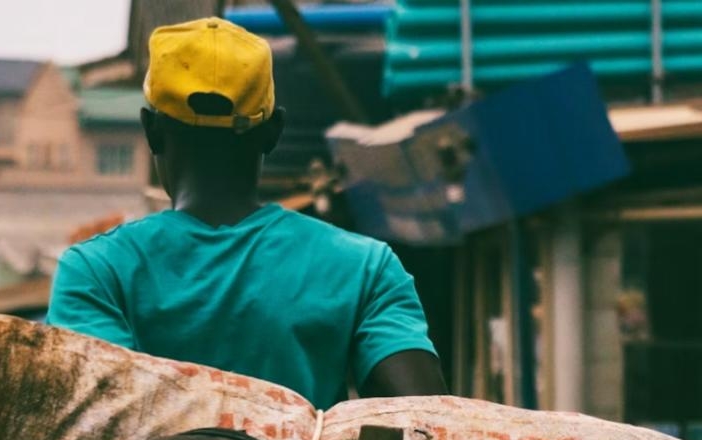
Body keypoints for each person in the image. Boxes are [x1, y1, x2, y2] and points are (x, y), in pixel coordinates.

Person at [47, 17, 447, 409]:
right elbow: (428, 422)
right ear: (274, 131)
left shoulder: (96, 272)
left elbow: (92, 421)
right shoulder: (365, 269)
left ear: (151, 129)